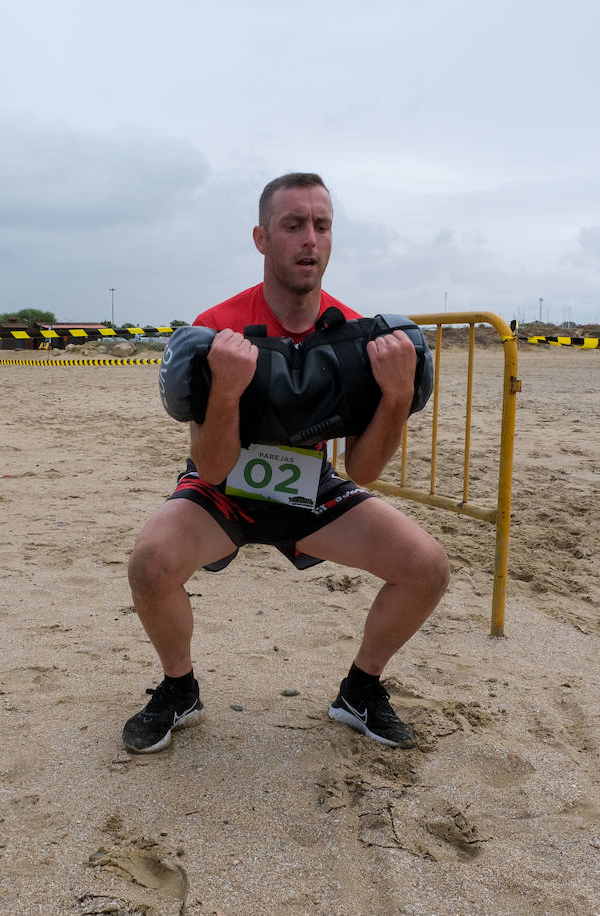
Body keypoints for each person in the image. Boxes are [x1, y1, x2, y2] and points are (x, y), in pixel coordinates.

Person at [122, 173, 450, 754]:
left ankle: (360, 690)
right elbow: (215, 468)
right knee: (150, 563)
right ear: (262, 238)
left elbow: (365, 471)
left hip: (311, 488)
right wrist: (224, 393)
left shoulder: (352, 334)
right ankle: (179, 688)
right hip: (226, 487)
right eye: (293, 225)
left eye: (321, 226)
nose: (309, 240)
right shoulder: (219, 326)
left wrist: (397, 397)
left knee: (427, 567)